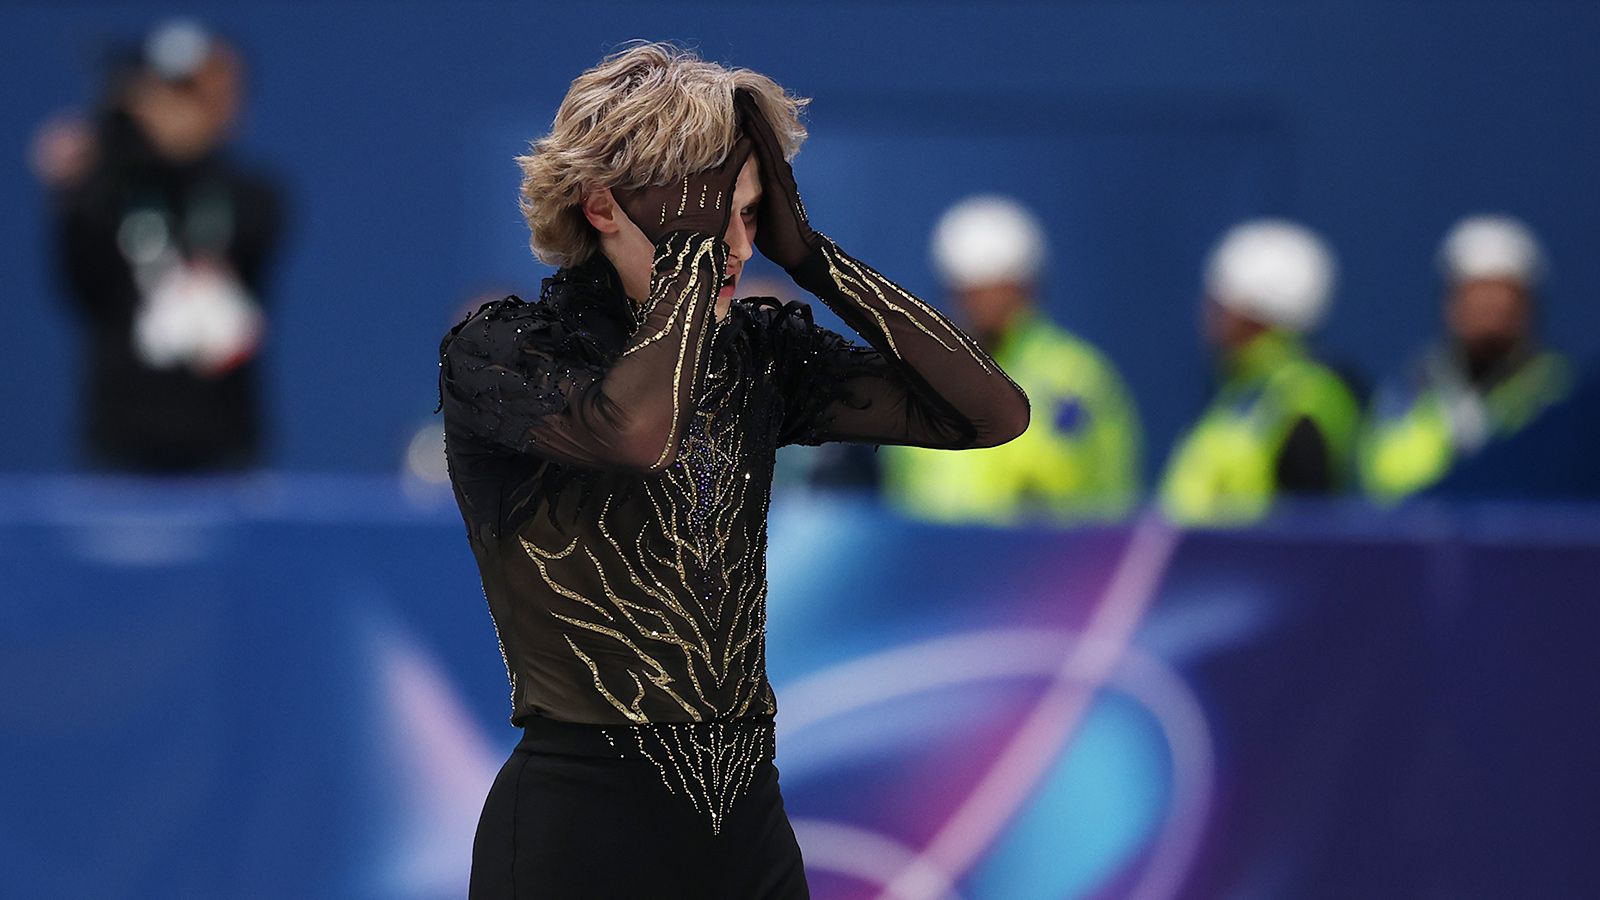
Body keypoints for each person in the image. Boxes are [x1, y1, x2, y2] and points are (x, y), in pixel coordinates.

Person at [436, 44, 1029, 898]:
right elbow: (637, 432)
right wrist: (692, 256)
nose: (741, 247)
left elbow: (991, 414)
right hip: (577, 834)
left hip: (745, 828)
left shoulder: (754, 355)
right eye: (714, 218)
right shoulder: (500, 351)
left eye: (752, 216)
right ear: (601, 205)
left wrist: (813, 257)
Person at [34, 19, 284, 472]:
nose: (184, 109)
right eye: (173, 91)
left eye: (201, 94)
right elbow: (80, 285)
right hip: (122, 447)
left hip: (223, 447)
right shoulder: (103, 193)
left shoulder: (249, 195)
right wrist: (83, 176)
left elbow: (246, 241)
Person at [882, 196, 1142, 524]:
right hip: (940, 552)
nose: (984, 302)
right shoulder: (919, 380)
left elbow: (1112, 491)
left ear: (1026, 287)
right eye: (970, 290)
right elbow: (903, 494)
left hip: (1052, 553)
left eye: (997, 287)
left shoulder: (1079, 376)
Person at [1159, 219, 1361, 526]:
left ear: (1256, 312)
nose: (1208, 313)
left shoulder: (1301, 400)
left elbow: (1310, 530)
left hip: (1255, 560)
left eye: (1221, 303)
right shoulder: (1239, 394)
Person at [1358, 215, 1570, 502]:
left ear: (1526, 306)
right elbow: (1384, 481)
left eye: (1502, 294)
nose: (1489, 308)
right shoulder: (1406, 392)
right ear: (1451, 303)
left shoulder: (1557, 392)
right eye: (1476, 293)